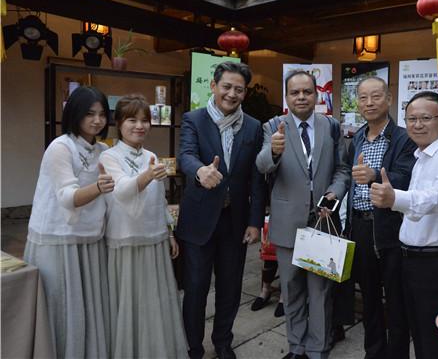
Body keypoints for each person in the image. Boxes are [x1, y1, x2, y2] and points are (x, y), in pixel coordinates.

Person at [256, 70, 350, 359]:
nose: (301, 97)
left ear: (317, 95)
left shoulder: (330, 126)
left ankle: (317, 347)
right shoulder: (273, 126)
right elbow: (261, 166)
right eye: (294, 92)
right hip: (287, 223)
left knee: (320, 291)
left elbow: (342, 169)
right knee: (292, 288)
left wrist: (334, 193)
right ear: (286, 97)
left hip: (322, 220)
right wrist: (272, 151)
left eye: (306, 92)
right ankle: (296, 346)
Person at [177, 62, 266, 359]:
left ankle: (223, 341)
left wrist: (255, 222)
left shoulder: (253, 126)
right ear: (213, 86)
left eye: (238, 89)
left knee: (230, 288)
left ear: (244, 92)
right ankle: (193, 346)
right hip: (199, 220)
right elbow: (186, 154)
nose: (231, 93)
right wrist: (199, 171)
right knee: (196, 287)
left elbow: (256, 177)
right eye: (226, 86)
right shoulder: (194, 119)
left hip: (235, 221)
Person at [370, 91, 438, 359]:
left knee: (436, 339)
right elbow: (417, 209)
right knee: (419, 332)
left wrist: (394, 198)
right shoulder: (421, 154)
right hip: (411, 259)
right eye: (411, 119)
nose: (417, 125)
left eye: (425, 118)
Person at [24, 86, 113, 358]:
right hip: (58, 239)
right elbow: (66, 197)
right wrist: (99, 187)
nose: (97, 120)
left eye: (101, 114)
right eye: (89, 114)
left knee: (87, 308)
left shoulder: (102, 149)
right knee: (62, 306)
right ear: (74, 114)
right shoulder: (60, 147)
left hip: (89, 237)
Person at [99, 94, 188, 358]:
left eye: (145, 121)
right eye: (132, 120)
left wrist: (169, 231)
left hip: (155, 237)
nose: (140, 126)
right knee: (128, 301)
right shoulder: (109, 156)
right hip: (124, 239)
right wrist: (149, 175)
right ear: (118, 123)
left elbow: (159, 200)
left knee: (155, 300)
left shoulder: (150, 155)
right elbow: (123, 192)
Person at [345, 77, 416, 359]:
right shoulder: (357, 138)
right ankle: (373, 351)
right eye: (363, 98)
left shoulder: (404, 138)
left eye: (376, 96)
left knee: (396, 299)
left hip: (391, 226)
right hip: (361, 225)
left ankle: (397, 353)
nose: (369, 103)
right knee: (370, 296)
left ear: (388, 99)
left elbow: (409, 178)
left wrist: (375, 176)